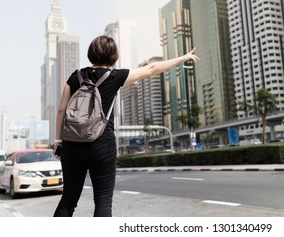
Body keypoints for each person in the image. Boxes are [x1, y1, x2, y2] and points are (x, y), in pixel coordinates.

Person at [53, 35, 199, 217]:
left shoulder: (75, 76)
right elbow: (152, 69)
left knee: (68, 200)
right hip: (102, 144)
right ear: (114, 55)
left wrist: (59, 142)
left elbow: (61, 110)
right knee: (103, 201)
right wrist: (182, 58)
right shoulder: (115, 76)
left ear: (91, 53)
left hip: (71, 145)